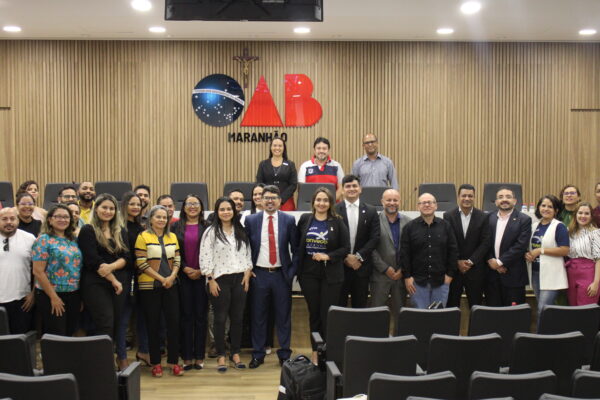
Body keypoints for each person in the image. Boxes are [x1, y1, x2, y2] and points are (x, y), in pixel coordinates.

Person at [244, 185, 298, 368]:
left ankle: (284, 354)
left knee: (283, 317)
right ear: (260, 200)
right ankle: (258, 354)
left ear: (279, 200)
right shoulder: (251, 220)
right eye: (266, 197)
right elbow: (245, 248)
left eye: (273, 197)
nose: (269, 201)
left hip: (281, 275)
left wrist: (291, 273)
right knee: (258, 316)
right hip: (258, 274)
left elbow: (297, 250)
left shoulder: (288, 220)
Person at [296, 187, 349, 363]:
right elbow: (298, 245)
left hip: (331, 274)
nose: (321, 203)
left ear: (330, 203)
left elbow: (345, 248)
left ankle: (329, 351)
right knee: (314, 313)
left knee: (328, 314)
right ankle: (315, 351)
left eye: (325, 200)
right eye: (318, 200)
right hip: (309, 274)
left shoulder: (338, 221)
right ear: (313, 202)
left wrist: (329, 256)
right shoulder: (305, 220)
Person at [200, 197, 252, 372]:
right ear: (217, 212)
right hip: (219, 280)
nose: (226, 212)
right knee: (220, 319)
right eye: (222, 209)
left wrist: (247, 271)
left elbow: (247, 252)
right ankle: (221, 355)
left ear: (234, 211)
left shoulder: (240, 230)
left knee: (237, 318)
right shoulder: (211, 232)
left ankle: (235, 354)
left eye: (228, 209)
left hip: (240, 278)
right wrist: (210, 279)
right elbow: (205, 256)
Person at [135, 205, 184, 377]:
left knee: (173, 324)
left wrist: (171, 277)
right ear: (151, 219)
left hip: (171, 285)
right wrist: (162, 279)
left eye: (165, 217)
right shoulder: (143, 236)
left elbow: (178, 259)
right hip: (150, 287)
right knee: (153, 325)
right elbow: (141, 262)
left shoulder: (172, 236)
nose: (162, 220)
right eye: (158, 217)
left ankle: (173, 362)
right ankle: (155, 362)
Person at [78, 194, 129, 342]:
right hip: (96, 283)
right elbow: (93, 260)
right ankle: (100, 362)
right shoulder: (88, 230)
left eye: (112, 208)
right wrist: (113, 279)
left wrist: (111, 267)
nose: (108, 211)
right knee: (104, 322)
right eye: (104, 207)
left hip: (119, 284)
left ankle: (105, 359)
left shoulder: (121, 231)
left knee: (115, 323)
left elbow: (127, 258)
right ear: (96, 208)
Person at [32, 204, 82, 336]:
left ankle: (67, 357)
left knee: (70, 332)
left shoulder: (74, 240)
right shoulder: (43, 240)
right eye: (58, 216)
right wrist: (54, 297)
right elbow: (38, 272)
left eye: (66, 217)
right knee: (56, 334)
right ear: (50, 220)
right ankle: (53, 357)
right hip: (50, 295)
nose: (62, 219)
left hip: (74, 294)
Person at [401, 193, 458, 308]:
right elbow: (404, 254)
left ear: (436, 206)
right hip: (417, 283)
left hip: (441, 282)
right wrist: (407, 277)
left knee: (438, 320)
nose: (427, 205)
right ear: (418, 207)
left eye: (430, 202)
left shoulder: (446, 226)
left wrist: (450, 275)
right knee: (420, 319)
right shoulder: (409, 227)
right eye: (423, 203)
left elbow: (453, 251)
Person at [172, 195, 208, 371]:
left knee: (201, 317)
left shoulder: (208, 226)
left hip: (203, 277)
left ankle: (199, 355)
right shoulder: (175, 226)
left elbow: (212, 251)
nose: (192, 207)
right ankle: (186, 356)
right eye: (189, 204)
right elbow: (173, 251)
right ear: (184, 207)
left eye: (196, 203)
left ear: (201, 207)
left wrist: (201, 270)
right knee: (186, 317)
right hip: (182, 276)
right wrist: (185, 268)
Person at [335, 175, 380, 308]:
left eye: (355, 186)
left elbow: (375, 238)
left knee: (360, 307)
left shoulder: (371, 211)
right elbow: (332, 239)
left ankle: (358, 330)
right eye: (347, 186)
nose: (351, 189)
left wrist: (358, 257)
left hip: (362, 267)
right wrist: (345, 257)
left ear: (360, 189)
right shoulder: (334, 210)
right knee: (339, 307)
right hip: (340, 267)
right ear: (342, 190)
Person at [443, 184, 491, 307]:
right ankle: (452, 327)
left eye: (470, 196)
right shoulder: (448, 216)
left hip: (475, 270)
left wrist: (470, 261)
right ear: (459, 197)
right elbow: (448, 242)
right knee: (452, 306)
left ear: (474, 197)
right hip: (455, 270)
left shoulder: (483, 217)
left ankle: (476, 328)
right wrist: (457, 261)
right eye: (464, 195)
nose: (467, 198)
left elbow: (485, 243)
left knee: (476, 306)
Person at [116, 192, 150, 369]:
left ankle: (144, 350)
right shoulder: (118, 227)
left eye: (138, 205)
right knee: (124, 319)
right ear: (124, 206)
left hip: (142, 277)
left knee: (144, 316)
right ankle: (121, 356)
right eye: (132, 204)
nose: (136, 207)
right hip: (124, 277)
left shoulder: (142, 227)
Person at [525, 195, 570, 320]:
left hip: (552, 274)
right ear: (539, 208)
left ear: (556, 210)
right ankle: (548, 336)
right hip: (535, 272)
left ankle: (542, 338)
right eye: (543, 205)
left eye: (550, 206)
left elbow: (565, 250)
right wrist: (528, 254)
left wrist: (541, 250)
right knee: (542, 308)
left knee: (543, 309)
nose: (546, 209)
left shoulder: (559, 226)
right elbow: (530, 247)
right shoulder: (534, 226)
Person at [485, 187, 532, 306]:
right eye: (500, 197)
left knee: (514, 317)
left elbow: (520, 246)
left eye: (508, 197)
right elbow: (483, 243)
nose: (504, 199)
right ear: (496, 202)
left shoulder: (524, 220)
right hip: (492, 276)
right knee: (493, 314)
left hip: (514, 275)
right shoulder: (488, 218)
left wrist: (500, 262)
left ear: (515, 201)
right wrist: (492, 261)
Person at [370, 189, 410, 311]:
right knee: (377, 314)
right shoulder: (374, 221)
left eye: (395, 200)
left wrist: (402, 270)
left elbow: (412, 249)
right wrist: (385, 268)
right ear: (382, 202)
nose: (392, 203)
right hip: (380, 276)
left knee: (401, 315)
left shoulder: (409, 222)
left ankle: (400, 332)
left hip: (401, 276)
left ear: (399, 202)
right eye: (388, 200)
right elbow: (370, 248)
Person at [0, 208, 36, 333]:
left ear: (18, 220)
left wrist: (33, 294)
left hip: (22, 300)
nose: (9, 222)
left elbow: (39, 269)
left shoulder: (29, 238)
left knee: (19, 341)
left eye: (12, 218)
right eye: (4, 219)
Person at [566, 202, 600, 305]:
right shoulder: (569, 232)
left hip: (588, 273)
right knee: (573, 307)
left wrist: (596, 283)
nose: (583, 216)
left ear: (591, 216)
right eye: (580, 213)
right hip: (570, 272)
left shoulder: (596, 233)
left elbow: (599, 259)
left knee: (585, 309)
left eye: (586, 213)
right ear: (575, 214)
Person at [256, 137, 298, 211]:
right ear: (271, 147)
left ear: (284, 148)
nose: (277, 148)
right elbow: (259, 183)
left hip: (285, 201)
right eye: (275, 145)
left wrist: (281, 199)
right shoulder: (263, 164)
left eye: (280, 146)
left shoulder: (290, 164)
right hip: (267, 201)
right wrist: (269, 196)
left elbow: (293, 184)